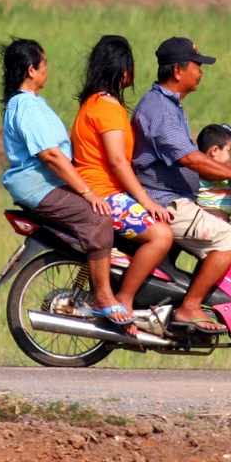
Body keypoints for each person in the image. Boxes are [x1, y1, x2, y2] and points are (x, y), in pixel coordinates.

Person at [0, 38, 134, 331]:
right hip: (39, 187)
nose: (48, 68)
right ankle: (102, 297)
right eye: (44, 63)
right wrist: (87, 191)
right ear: (31, 70)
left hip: (49, 184)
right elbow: (51, 156)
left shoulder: (33, 103)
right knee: (98, 219)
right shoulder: (25, 106)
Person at [131, 37, 231, 335]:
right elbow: (190, 159)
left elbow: (196, 160)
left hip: (177, 198)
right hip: (167, 202)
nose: (201, 72)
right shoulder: (160, 110)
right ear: (178, 71)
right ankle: (190, 307)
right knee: (230, 240)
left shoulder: (169, 105)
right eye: (197, 66)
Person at [69, 36, 176, 315]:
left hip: (100, 188)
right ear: (123, 70)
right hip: (105, 193)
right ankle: (124, 299)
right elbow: (117, 161)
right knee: (161, 236)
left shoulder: (92, 103)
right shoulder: (107, 107)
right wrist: (146, 201)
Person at [194, 124, 231, 223]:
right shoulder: (206, 169)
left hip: (221, 217)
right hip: (210, 215)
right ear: (215, 150)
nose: (229, 155)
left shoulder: (224, 168)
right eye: (228, 151)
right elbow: (216, 176)